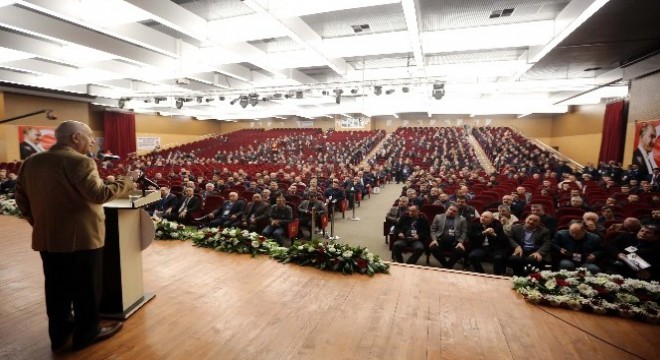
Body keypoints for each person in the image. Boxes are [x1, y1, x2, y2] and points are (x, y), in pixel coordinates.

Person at [15, 120, 136, 351]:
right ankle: (87, 334)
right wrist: (127, 180)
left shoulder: (31, 162)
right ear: (75, 137)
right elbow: (99, 194)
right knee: (87, 290)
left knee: (56, 289)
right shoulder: (80, 161)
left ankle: (59, 335)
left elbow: (21, 198)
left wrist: (38, 222)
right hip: (83, 239)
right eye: (89, 136)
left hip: (48, 239)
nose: (92, 141)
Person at [429, 204, 467, 269]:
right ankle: (447, 265)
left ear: (457, 213)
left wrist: (460, 242)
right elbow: (433, 229)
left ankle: (447, 266)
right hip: (440, 240)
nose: (451, 211)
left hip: (454, 242)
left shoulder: (462, 219)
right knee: (433, 248)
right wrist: (434, 239)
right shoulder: (438, 217)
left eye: (454, 211)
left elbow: (464, 232)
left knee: (460, 251)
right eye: (450, 209)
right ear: (447, 209)